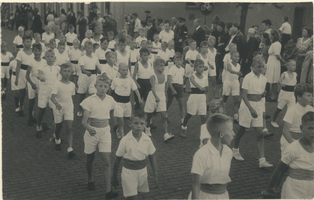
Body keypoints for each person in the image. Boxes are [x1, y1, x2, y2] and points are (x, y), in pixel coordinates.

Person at [80, 74, 119, 199]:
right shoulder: (89, 101)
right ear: (95, 86)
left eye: (105, 86)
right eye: (100, 86)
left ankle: (108, 190)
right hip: (92, 132)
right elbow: (84, 121)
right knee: (90, 158)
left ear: (108, 87)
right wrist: (89, 128)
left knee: (106, 161)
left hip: (105, 132)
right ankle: (90, 179)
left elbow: (112, 111)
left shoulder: (110, 100)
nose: (103, 88)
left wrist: (114, 122)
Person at [262, 111, 314, 199]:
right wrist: (270, 189)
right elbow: (280, 169)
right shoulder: (293, 148)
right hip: (294, 188)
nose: (313, 132)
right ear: (301, 128)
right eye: (310, 128)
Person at [232, 55, 273, 168]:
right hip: (247, 106)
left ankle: (262, 160)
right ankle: (235, 150)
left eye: (262, 67)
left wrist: (261, 104)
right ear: (252, 67)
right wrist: (251, 109)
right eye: (258, 66)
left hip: (258, 106)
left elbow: (261, 95)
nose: (260, 69)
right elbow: (243, 95)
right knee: (242, 130)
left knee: (260, 133)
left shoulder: (264, 79)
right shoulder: (247, 77)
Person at [112, 110, 158, 199]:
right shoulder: (125, 140)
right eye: (136, 123)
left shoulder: (147, 140)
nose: (139, 126)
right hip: (129, 173)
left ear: (145, 124)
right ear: (130, 124)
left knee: (139, 195)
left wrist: (155, 175)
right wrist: (113, 176)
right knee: (133, 198)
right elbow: (117, 159)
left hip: (142, 173)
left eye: (141, 123)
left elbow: (152, 157)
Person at [189, 114, 235, 199]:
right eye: (231, 130)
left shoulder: (228, 152)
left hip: (223, 196)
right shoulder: (201, 154)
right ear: (221, 134)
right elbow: (196, 185)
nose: (234, 134)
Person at [50, 63, 76, 157]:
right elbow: (52, 97)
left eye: (69, 71)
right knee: (58, 126)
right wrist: (57, 104)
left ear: (71, 73)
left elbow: (71, 96)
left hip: (69, 106)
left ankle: (70, 148)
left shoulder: (72, 85)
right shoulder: (57, 84)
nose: (67, 73)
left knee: (69, 127)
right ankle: (57, 140)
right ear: (61, 72)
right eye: (65, 71)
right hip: (58, 107)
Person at [110, 63, 142, 139]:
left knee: (127, 119)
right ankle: (123, 137)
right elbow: (111, 91)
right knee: (121, 121)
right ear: (119, 71)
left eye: (126, 70)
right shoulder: (115, 80)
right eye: (123, 70)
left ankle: (118, 129)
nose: (125, 72)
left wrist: (139, 98)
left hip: (127, 103)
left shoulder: (130, 80)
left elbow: (136, 90)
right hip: (118, 103)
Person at [280, 83, 314, 154]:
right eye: (308, 95)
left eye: (312, 95)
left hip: (305, 140)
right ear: (299, 97)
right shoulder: (292, 110)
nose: (312, 98)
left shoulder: (311, 109)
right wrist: (293, 145)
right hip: (291, 140)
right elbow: (285, 131)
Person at [36, 50, 60, 139]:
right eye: (48, 56)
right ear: (45, 57)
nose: (50, 58)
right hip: (44, 90)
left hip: (53, 91)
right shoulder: (42, 66)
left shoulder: (57, 68)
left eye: (51, 57)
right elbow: (39, 75)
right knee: (42, 109)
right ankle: (38, 127)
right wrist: (41, 77)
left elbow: (58, 79)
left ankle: (55, 134)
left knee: (54, 111)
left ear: (54, 58)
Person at [181, 59, 208, 138]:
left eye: (203, 67)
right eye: (200, 67)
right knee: (189, 114)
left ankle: (204, 134)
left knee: (203, 117)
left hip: (202, 98)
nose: (202, 69)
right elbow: (193, 82)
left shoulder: (205, 77)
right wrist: (199, 87)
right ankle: (183, 128)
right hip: (194, 97)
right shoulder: (192, 76)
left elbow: (206, 88)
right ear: (195, 68)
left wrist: (207, 100)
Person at [77, 41, 101, 116]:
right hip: (84, 77)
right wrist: (86, 72)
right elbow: (82, 69)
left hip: (93, 77)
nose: (90, 49)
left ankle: (91, 110)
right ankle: (80, 110)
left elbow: (97, 66)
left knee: (92, 94)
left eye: (91, 48)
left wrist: (99, 70)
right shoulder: (82, 58)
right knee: (82, 94)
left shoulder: (95, 58)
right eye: (88, 47)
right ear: (85, 48)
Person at [271, 60, 297, 128]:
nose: (295, 67)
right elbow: (279, 80)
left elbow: (295, 83)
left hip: (292, 95)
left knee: (292, 109)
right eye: (293, 65)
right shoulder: (284, 74)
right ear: (287, 66)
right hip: (284, 94)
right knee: (279, 108)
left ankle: (289, 123)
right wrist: (281, 83)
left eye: (295, 65)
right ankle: (273, 120)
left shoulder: (295, 74)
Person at [25, 43, 45, 126]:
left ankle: (41, 120)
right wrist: (32, 84)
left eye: (39, 51)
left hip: (41, 83)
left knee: (42, 101)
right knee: (32, 100)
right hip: (32, 82)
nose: (37, 52)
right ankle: (30, 117)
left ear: (41, 51)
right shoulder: (30, 61)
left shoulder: (44, 61)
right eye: (35, 50)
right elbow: (27, 75)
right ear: (33, 51)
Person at [14, 35, 34, 117]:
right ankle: (21, 106)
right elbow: (18, 66)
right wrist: (16, 78)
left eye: (30, 41)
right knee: (22, 92)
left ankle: (31, 111)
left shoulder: (33, 52)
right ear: (23, 43)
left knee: (31, 93)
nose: (29, 43)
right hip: (22, 72)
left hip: (31, 73)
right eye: (27, 41)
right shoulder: (20, 52)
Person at [222, 51, 242, 122]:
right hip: (228, 82)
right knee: (225, 98)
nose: (237, 58)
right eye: (235, 56)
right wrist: (237, 73)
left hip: (235, 82)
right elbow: (230, 70)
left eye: (238, 56)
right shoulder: (229, 64)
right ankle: (223, 112)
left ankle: (236, 116)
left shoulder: (239, 65)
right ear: (231, 57)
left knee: (236, 100)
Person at [265, 30, 285, 102]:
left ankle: (274, 96)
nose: (269, 36)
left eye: (270, 34)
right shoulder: (274, 43)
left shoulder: (276, 44)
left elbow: (277, 55)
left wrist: (283, 61)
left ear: (273, 35)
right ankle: (272, 95)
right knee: (272, 78)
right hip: (271, 62)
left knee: (274, 79)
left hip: (274, 63)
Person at [167, 52, 186, 123]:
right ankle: (165, 115)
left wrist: (182, 86)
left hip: (180, 88)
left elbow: (182, 78)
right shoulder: (172, 69)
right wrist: (172, 89)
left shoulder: (182, 69)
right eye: (177, 60)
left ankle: (183, 121)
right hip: (172, 87)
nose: (179, 62)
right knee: (168, 103)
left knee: (182, 105)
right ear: (174, 60)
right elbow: (169, 81)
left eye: (180, 60)